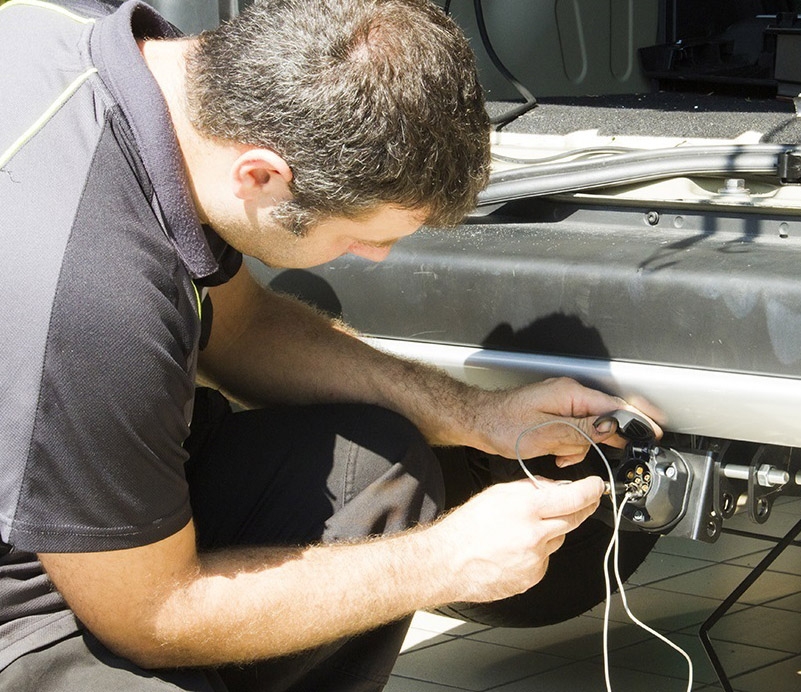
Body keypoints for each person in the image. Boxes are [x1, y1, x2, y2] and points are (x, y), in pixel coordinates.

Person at [0, 0, 661, 690]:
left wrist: (477, 417)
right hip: (38, 588)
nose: (373, 257)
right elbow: (150, 613)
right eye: (360, 236)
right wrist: (442, 561)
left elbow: (244, 327)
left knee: (374, 477)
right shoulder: (92, 296)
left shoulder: (104, 47)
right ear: (259, 177)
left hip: (61, 484)